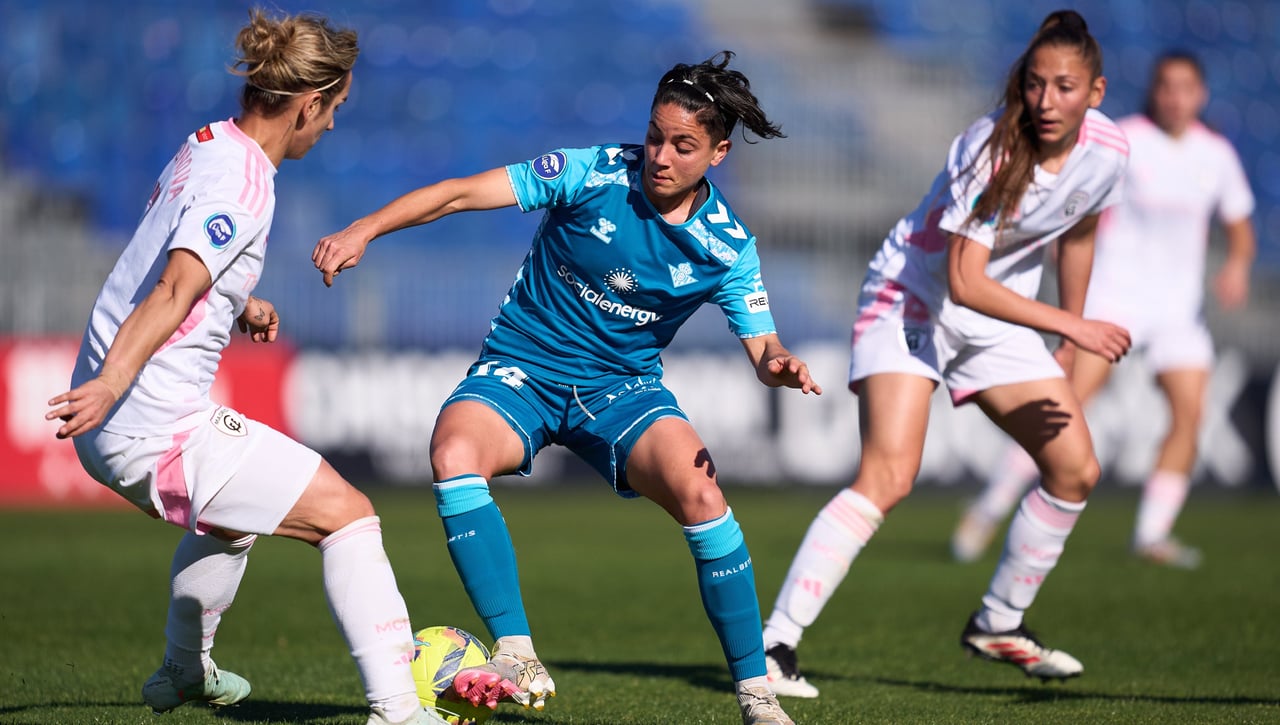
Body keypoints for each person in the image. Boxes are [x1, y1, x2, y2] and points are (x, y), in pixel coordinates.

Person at [312, 51, 818, 725]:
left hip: (621, 390)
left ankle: (757, 695)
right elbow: (463, 191)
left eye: (683, 145)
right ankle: (515, 651)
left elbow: (763, 347)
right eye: (655, 135)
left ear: (719, 152)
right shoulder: (591, 171)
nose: (660, 155)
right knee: (453, 452)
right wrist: (364, 228)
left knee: (703, 493)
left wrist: (778, 359)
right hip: (525, 367)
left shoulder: (727, 246)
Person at [44, 10, 447, 725]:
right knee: (349, 516)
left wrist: (237, 300)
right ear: (309, 102)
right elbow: (171, 286)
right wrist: (109, 381)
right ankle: (398, 711)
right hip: (147, 418)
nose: (332, 129)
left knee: (233, 523)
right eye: (335, 110)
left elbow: (182, 269)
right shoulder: (246, 185)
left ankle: (183, 671)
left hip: (132, 412)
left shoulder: (207, 145)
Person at [759, 10, 1132, 699]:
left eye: (1066, 87)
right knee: (890, 475)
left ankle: (997, 621)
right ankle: (774, 646)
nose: (1047, 102)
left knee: (1075, 469)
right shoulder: (994, 148)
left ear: (1097, 92)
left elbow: (1078, 226)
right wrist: (1071, 329)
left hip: (999, 318)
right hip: (913, 298)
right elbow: (964, 279)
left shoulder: (1109, 152)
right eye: (1036, 84)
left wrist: (1069, 325)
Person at [951, 50, 1257, 570]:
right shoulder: (1126, 138)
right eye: (1165, 86)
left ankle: (1152, 534)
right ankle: (988, 507)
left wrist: (1237, 267)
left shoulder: (1217, 155)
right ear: (1153, 90)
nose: (1174, 98)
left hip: (1178, 310)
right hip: (1114, 299)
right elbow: (1079, 197)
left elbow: (1240, 226)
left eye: (1185, 88)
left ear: (1200, 95)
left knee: (1189, 415)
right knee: (1061, 410)